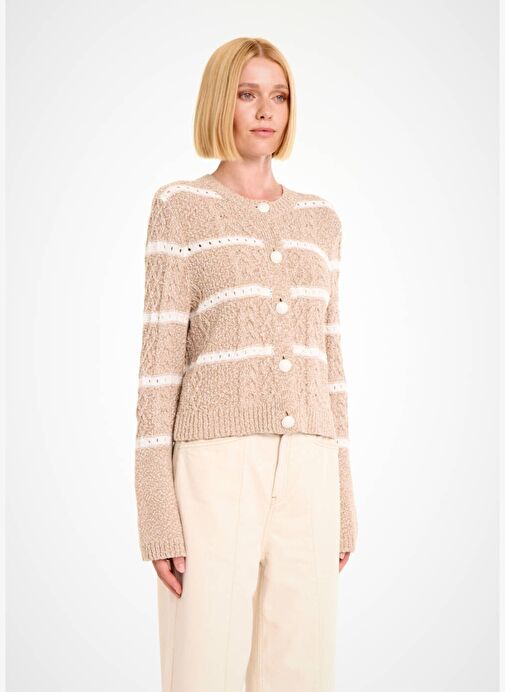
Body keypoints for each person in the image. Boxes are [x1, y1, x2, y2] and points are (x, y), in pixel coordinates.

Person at [134, 36, 358, 692]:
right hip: (214, 469)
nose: (265, 110)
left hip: (310, 469)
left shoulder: (320, 220)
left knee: (300, 673)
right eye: (247, 93)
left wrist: (343, 502)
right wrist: (156, 513)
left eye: (279, 95)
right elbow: (158, 367)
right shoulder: (180, 208)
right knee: (203, 669)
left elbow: (331, 364)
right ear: (219, 103)